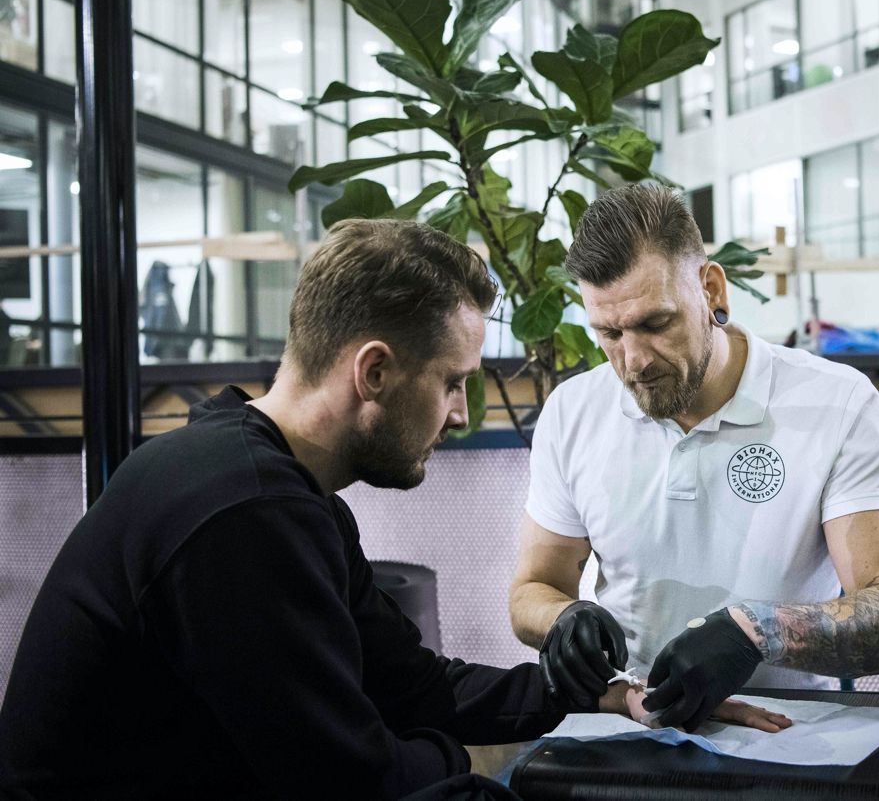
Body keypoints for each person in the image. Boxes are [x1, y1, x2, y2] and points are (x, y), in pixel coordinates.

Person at [0, 219, 784, 801]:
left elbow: (411, 684)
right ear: (373, 371)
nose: (458, 413)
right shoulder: (241, 512)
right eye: (451, 381)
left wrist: (604, 694)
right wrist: (478, 763)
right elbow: (352, 779)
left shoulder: (271, 483)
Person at [509, 185, 879, 732]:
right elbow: (532, 589)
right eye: (609, 333)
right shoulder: (574, 410)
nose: (633, 360)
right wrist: (563, 618)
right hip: (633, 726)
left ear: (710, 289)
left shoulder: (838, 403)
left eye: (655, 324)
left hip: (790, 733)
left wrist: (757, 631)